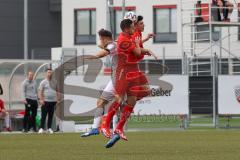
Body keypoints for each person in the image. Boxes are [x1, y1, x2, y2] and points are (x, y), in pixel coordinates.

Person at [103, 19, 152, 148]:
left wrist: (142, 48)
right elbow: (137, 52)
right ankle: (105, 124)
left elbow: (138, 56)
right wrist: (140, 47)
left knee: (143, 92)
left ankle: (119, 127)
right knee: (120, 100)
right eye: (132, 27)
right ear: (126, 29)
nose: (134, 29)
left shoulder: (132, 37)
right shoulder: (124, 39)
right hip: (123, 73)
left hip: (134, 70)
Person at [81, 29, 119, 137]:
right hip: (116, 78)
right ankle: (95, 128)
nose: (100, 41)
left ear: (104, 38)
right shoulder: (114, 44)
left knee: (115, 103)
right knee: (101, 102)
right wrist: (102, 46)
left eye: (100, 38)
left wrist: (91, 57)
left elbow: (104, 52)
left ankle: (115, 130)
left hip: (118, 79)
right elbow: (106, 48)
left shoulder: (111, 46)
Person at [38, 68, 61, 134]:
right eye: (48, 72)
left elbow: (57, 91)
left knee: (51, 116)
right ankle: (41, 128)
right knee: (43, 115)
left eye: (51, 72)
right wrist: (41, 99)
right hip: (45, 101)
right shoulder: (43, 82)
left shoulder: (55, 82)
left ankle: (49, 128)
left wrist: (58, 99)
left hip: (53, 101)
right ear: (46, 73)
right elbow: (40, 91)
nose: (49, 74)